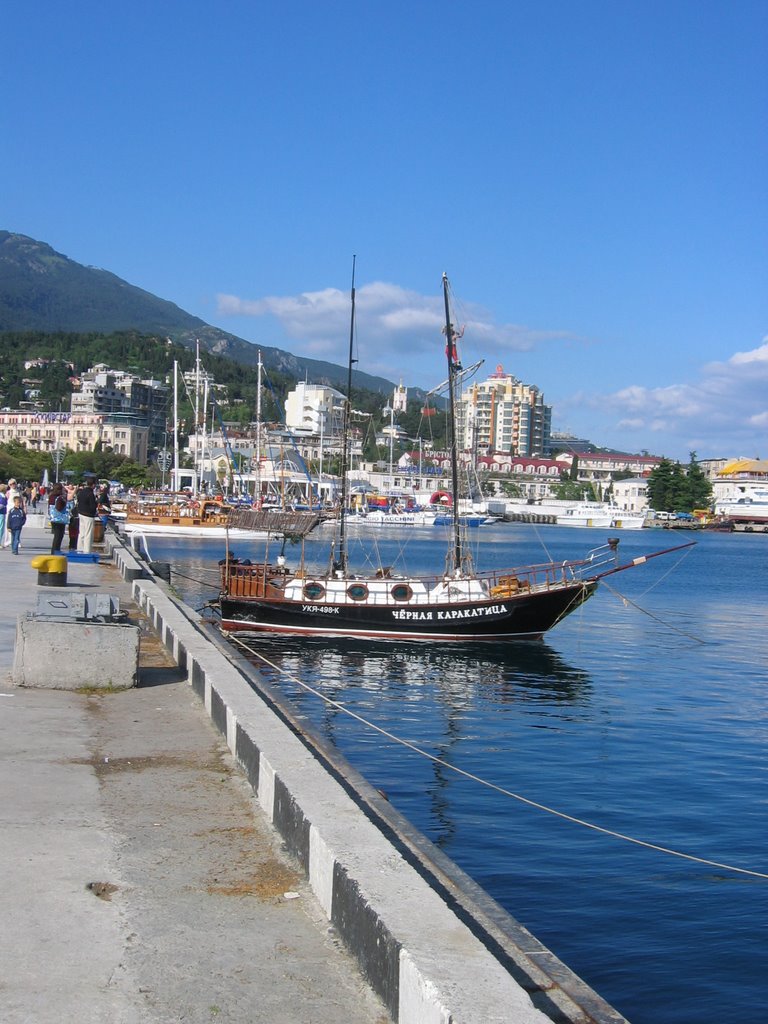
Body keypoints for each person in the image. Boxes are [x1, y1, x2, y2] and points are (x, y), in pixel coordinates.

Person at [76, 480, 98, 553]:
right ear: (93, 485)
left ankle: (80, 549)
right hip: (88, 515)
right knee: (88, 534)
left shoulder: (81, 492)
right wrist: (96, 504)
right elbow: (92, 506)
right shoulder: (90, 493)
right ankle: (87, 551)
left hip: (81, 513)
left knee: (81, 533)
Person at [48, 482, 70, 554]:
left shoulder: (51, 496)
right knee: (59, 536)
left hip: (53, 518)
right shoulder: (59, 498)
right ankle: (55, 551)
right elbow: (59, 508)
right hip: (59, 519)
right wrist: (64, 503)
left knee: (56, 536)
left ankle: (54, 551)